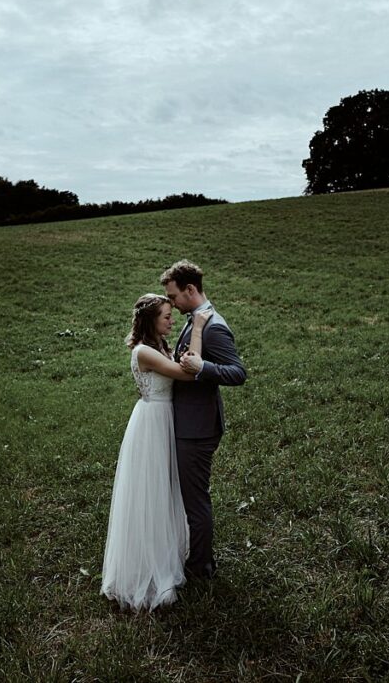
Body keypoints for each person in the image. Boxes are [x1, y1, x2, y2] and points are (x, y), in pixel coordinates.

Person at [101, 294, 211, 611]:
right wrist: (199, 329)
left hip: (166, 420)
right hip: (151, 423)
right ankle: (145, 564)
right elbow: (189, 372)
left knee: (166, 488)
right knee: (149, 490)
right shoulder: (145, 351)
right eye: (166, 316)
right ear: (151, 320)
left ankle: (168, 550)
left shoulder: (160, 346)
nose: (171, 320)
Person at [161, 259, 247, 581]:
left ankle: (200, 569)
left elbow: (239, 373)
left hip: (198, 429)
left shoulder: (214, 326)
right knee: (191, 497)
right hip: (187, 423)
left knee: (196, 501)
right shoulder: (192, 319)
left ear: (190, 289)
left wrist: (203, 369)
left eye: (173, 297)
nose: (170, 303)